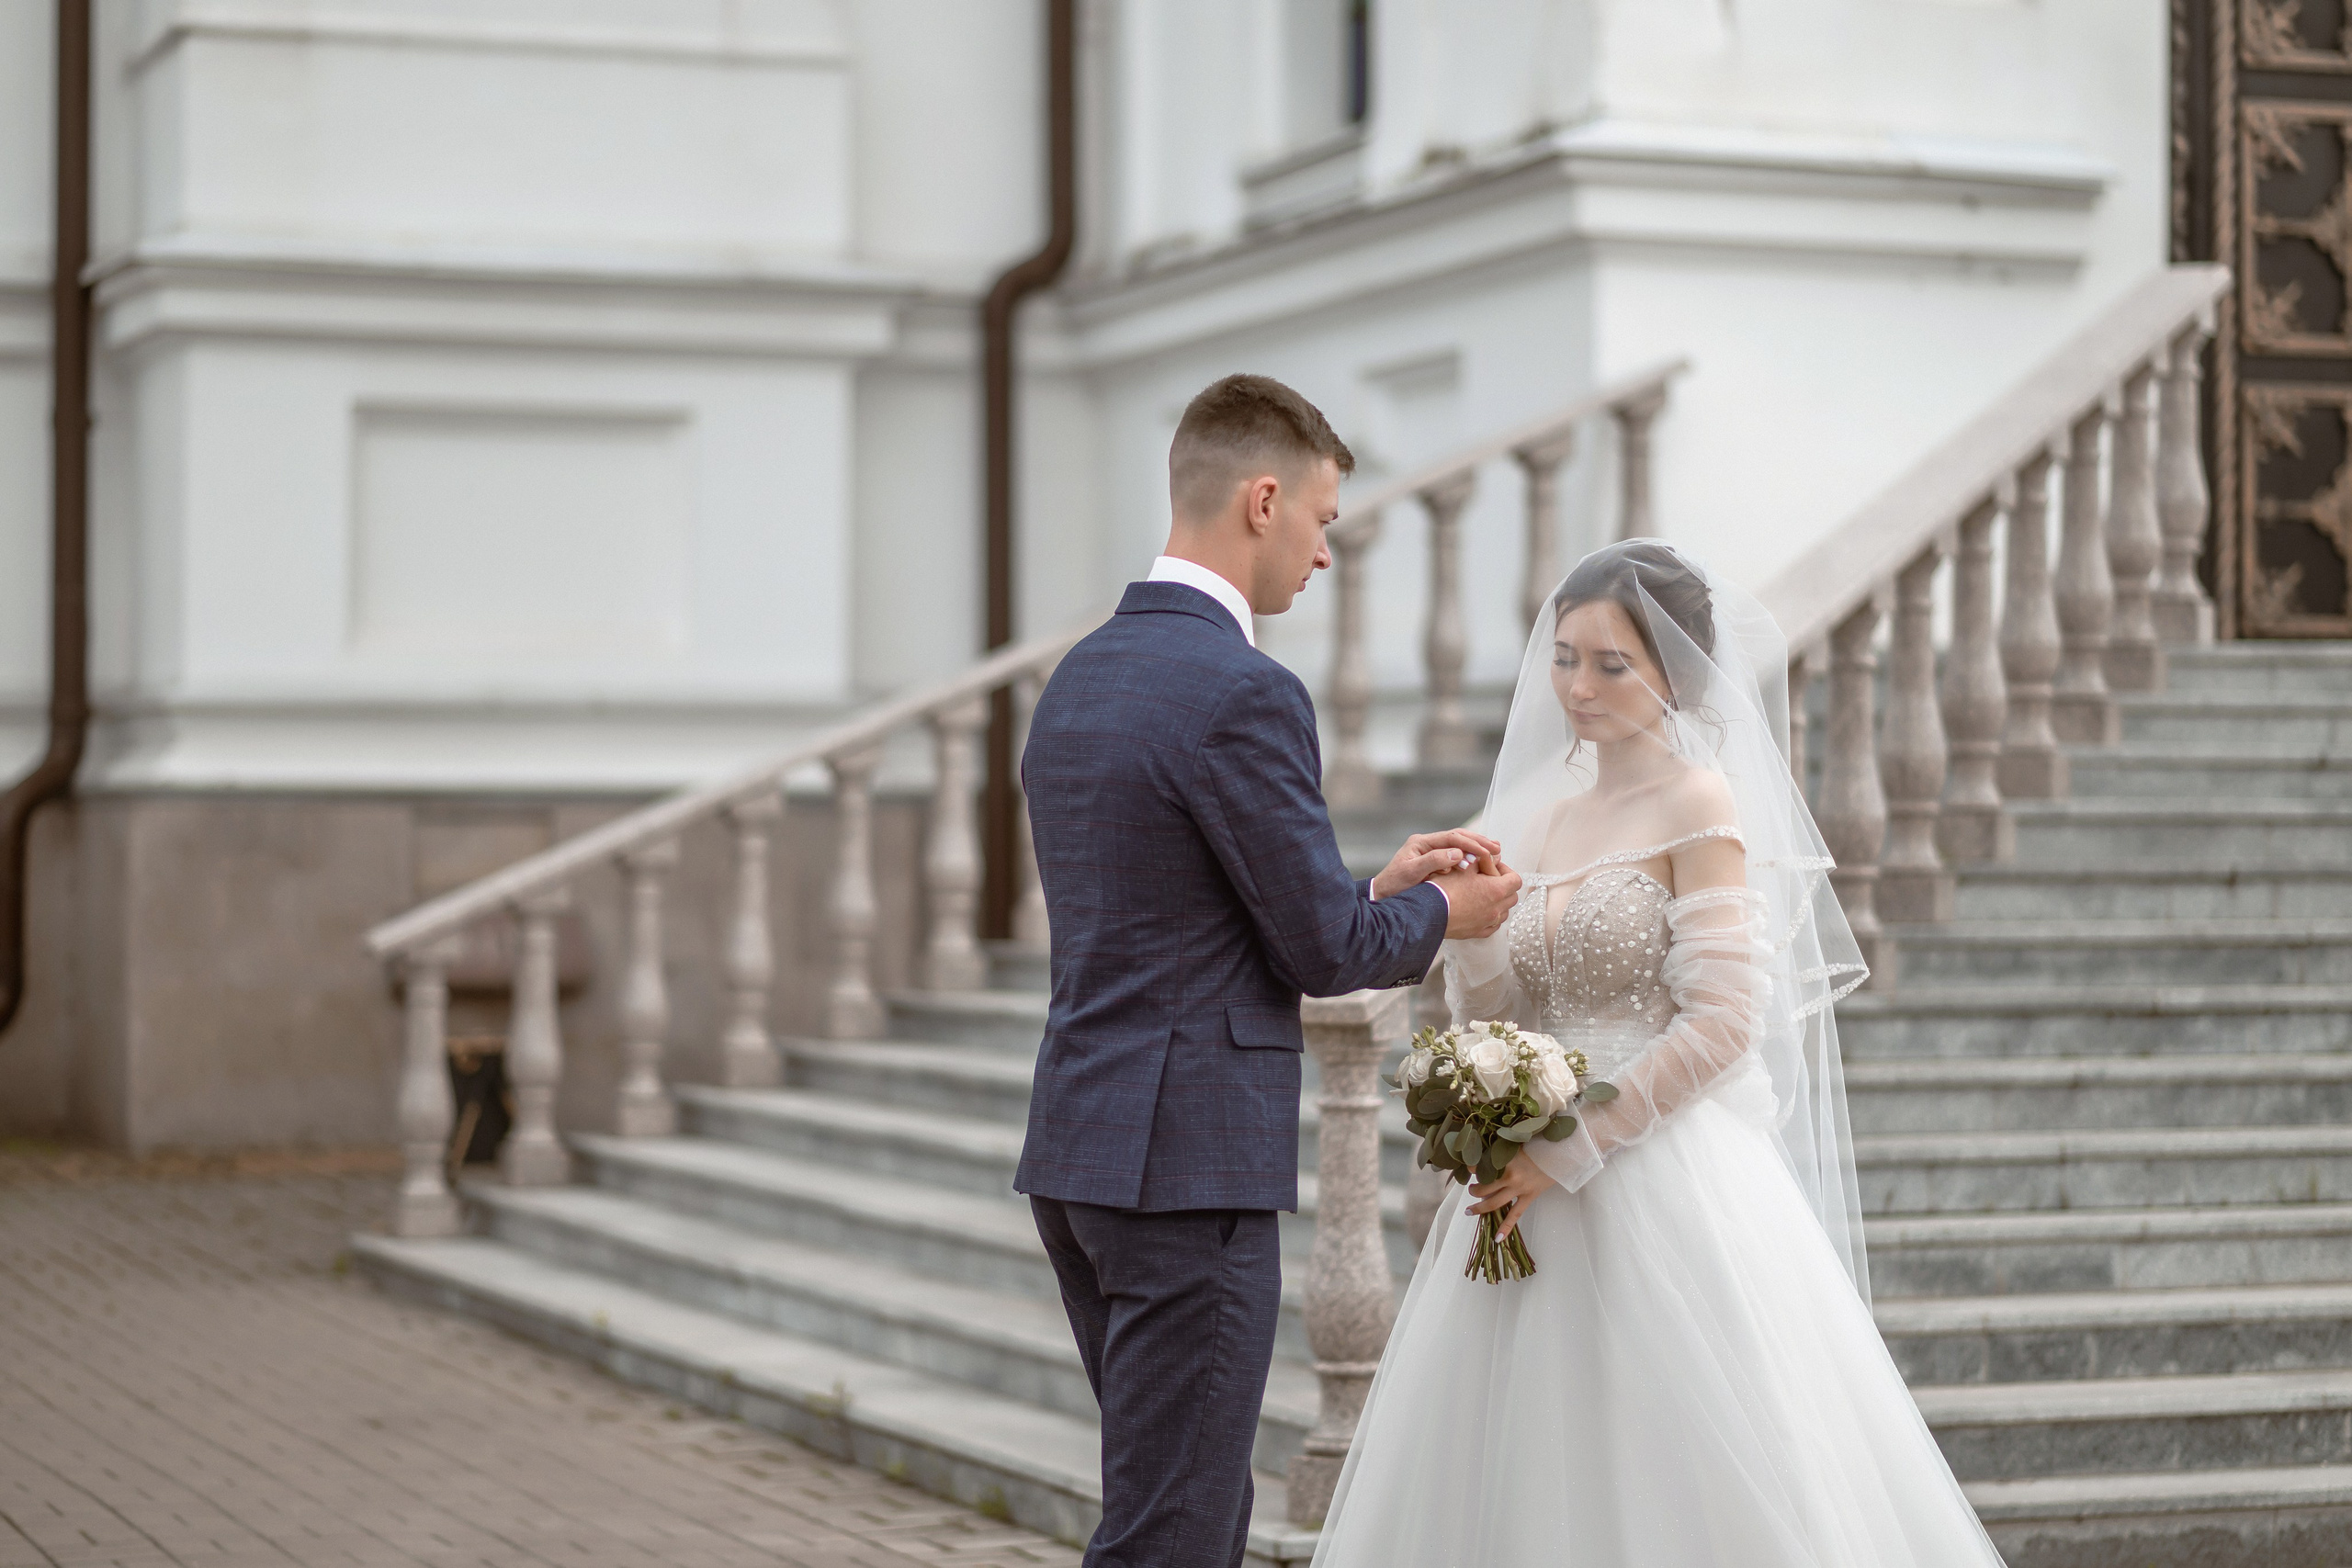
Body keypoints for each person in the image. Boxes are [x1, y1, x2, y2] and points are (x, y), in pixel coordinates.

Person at [1311, 541, 2007, 1568]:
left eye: (1610, 664)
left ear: (1673, 673)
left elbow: (1724, 1020)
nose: (1577, 688)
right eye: (1563, 658)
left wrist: (1571, 1147)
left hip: (1657, 1171)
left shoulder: (1700, 805)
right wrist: (1473, 941)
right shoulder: (1545, 820)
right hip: (1527, 1186)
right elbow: (1510, 1010)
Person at [1014, 373, 1523, 1568]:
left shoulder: (1080, 676)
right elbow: (1325, 957)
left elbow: (1189, 910)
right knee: (1176, 1534)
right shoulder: (1243, 688)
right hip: (1186, 1171)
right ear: (1261, 500)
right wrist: (1451, 908)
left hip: (1083, 1153)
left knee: (1162, 1507)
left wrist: (1379, 884)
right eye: (1325, 520)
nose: (1325, 552)